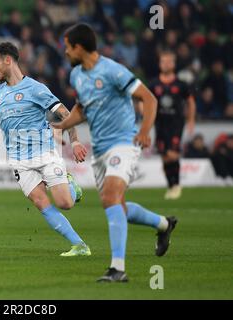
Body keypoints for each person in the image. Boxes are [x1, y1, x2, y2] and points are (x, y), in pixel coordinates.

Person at [53, 23, 178, 282]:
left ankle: (117, 268)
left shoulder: (112, 70)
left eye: (67, 47)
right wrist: (62, 125)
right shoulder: (76, 75)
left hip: (123, 143)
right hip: (99, 151)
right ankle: (164, 224)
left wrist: (144, 130)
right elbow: (82, 108)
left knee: (111, 197)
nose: (65, 52)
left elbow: (149, 99)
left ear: (78, 47)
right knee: (116, 204)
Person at [0, 42, 91, 257]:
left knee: (65, 203)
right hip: (18, 160)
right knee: (40, 202)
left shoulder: (35, 88)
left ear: (8, 60)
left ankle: (70, 184)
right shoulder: (0, 90)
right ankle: (79, 245)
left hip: (45, 154)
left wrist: (76, 141)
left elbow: (65, 113)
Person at [149, 50, 196, 199]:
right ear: (159, 63)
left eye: (169, 61)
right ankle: (170, 185)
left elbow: (190, 102)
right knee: (165, 156)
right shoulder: (154, 83)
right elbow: (146, 101)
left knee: (173, 154)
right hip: (160, 123)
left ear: (174, 64)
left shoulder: (181, 84)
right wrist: (146, 118)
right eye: (163, 61)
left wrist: (191, 120)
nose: (166, 64)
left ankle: (176, 185)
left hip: (176, 123)